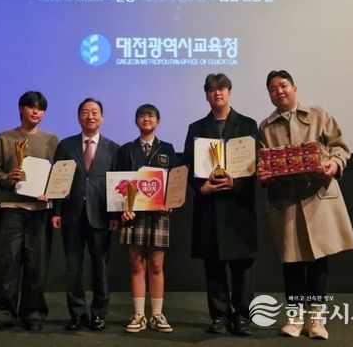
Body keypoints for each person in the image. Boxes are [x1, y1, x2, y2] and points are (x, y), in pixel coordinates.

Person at [257, 70, 353, 340]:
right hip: (286, 202)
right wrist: (263, 174)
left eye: (283, 85)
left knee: (318, 261)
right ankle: (294, 318)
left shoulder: (318, 114)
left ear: (294, 88)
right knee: (291, 263)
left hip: (318, 199)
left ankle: (316, 319)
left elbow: (340, 147)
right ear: (269, 95)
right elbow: (263, 161)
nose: (279, 91)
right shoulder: (265, 126)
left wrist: (334, 163)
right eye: (273, 89)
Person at [183, 73, 258, 336]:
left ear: (230, 92)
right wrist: (200, 188)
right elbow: (188, 166)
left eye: (222, 88)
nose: (218, 93)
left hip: (238, 205)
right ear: (206, 95)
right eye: (212, 89)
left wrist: (235, 183)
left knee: (242, 265)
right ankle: (219, 316)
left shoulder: (248, 125)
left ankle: (243, 317)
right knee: (213, 264)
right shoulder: (196, 128)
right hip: (209, 205)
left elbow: (256, 165)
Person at [0, 91, 59, 332]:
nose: (36, 112)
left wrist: (50, 191)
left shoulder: (51, 140)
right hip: (12, 207)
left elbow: (58, 174)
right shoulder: (4, 138)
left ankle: (33, 313)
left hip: (40, 209)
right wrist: (9, 178)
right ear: (21, 109)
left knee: (37, 264)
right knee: (6, 263)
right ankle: (4, 312)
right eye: (31, 107)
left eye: (40, 108)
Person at [52, 98, 119, 331]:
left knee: (100, 267)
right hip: (72, 214)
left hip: (101, 216)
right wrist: (57, 211)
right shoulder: (66, 145)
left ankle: (99, 314)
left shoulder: (114, 148)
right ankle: (78, 314)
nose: (90, 116)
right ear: (78, 117)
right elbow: (58, 180)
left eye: (94, 112)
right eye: (85, 112)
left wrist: (115, 215)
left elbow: (117, 185)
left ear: (102, 118)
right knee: (73, 267)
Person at [116, 104, 179, 334]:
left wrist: (171, 202)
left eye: (150, 116)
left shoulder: (167, 149)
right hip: (133, 215)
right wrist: (122, 208)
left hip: (159, 215)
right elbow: (118, 183)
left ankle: (157, 315)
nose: (146, 119)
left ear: (157, 121)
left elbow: (176, 180)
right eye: (141, 116)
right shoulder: (126, 150)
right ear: (136, 121)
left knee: (156, 265)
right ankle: (139, 315)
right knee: (136, 264)